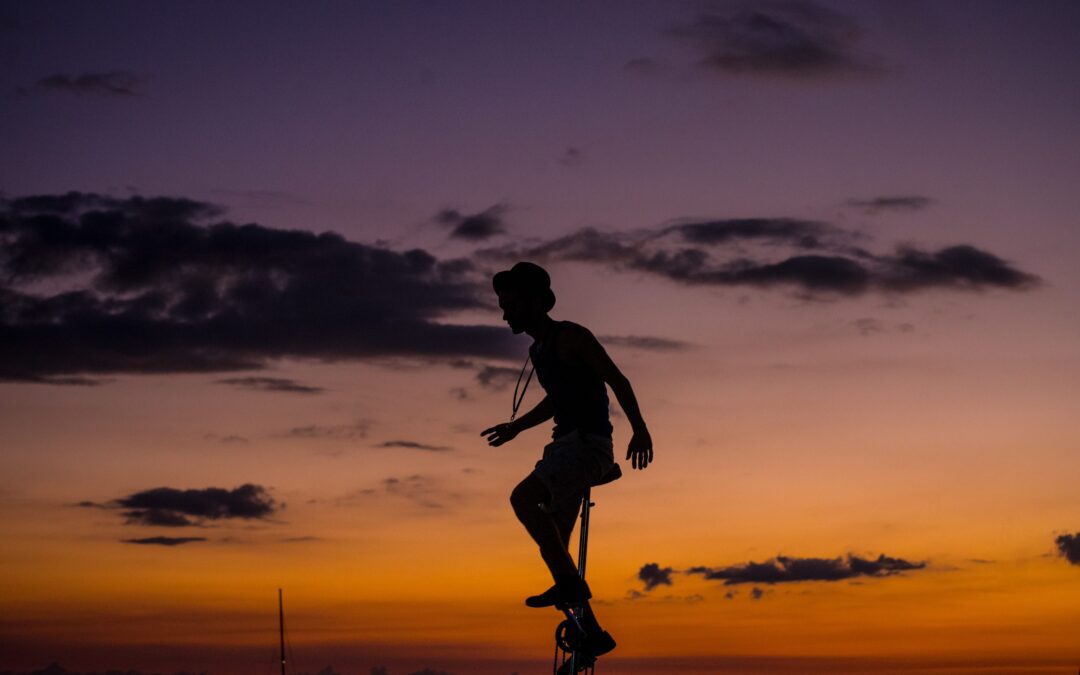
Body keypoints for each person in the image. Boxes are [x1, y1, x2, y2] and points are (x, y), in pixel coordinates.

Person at [482, 261, 653, 662]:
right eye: (502, 306)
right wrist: (517, 428)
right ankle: (592, 633)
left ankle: (572, 589)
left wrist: (640, 430)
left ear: (537, 302)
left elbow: (617, 379)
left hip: (588, 446)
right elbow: (556, 399)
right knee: (555, 546)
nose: (505, 313)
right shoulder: (538, 350)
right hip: (563, 448)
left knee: (524, 500)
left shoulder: (572, 337)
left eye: (511, 304)